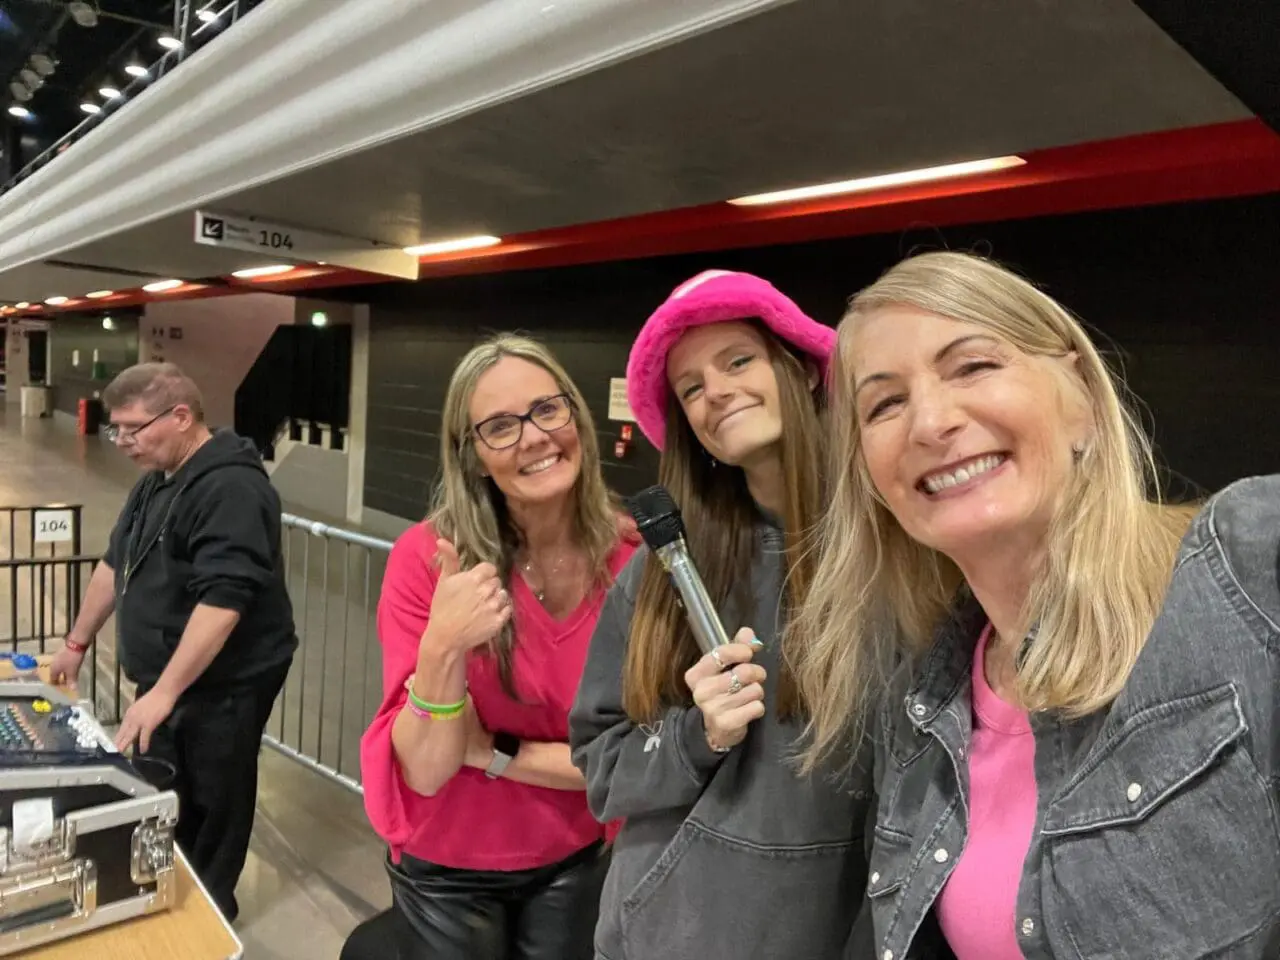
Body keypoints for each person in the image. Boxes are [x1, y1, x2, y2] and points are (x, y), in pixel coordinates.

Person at [791, 250, 1280, 959]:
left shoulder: (1245, 571)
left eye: (973, 366)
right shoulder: (926, 704)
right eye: (884, 404)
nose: (929, 422)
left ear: (1080, 397)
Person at [569, 270, 874, 960]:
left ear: (798, 368)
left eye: (738, 360)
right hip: (678, 934)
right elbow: (602, 763)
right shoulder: (662, 574)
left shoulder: (895, 554)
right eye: (691, 387)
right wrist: (691, 737)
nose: (717, 392)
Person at [349, 333, 639, 960]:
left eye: (547, 410)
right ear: (475, 456)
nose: (534, 437)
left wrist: (491, 752)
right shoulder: (428, 562)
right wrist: (442, 648)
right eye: (501, 426)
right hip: (449, 868)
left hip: (579, 855)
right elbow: (426, 770)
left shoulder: (631, 561)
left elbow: (636, 757)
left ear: (576, 421)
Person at [48, 361, 296, 924]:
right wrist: (77, 643)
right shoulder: (154, 483)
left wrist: (165, 691)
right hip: (167, 680)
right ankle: (163, 893)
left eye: (134, 428)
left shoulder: (231, 487)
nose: (122, 441)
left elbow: (224, 600)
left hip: (224, 683)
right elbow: (117, 563)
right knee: (166, 795)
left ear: (181, 417)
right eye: (116, 430)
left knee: (214, 804)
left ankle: (207, 914)